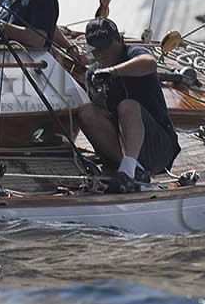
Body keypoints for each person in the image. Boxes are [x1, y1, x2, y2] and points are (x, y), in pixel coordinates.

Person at [75, 18, 180, 192]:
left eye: (105, 46)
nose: (100, 53)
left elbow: (150, 63)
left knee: (127, 106)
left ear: (119, 40)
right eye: (95, 48)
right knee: (87, 113)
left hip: (157, 148)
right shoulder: (93, 73)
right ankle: (133, 170)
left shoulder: (134, 53)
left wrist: (114, 71)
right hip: (121, 147)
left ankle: (129, 170)